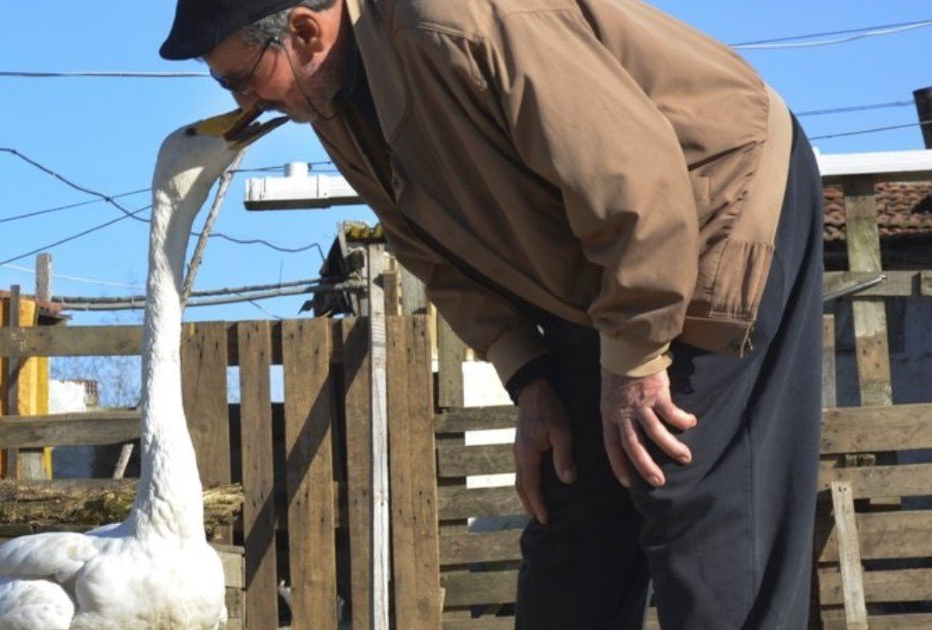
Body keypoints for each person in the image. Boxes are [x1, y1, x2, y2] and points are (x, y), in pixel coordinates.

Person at [160, 0, 825, 627]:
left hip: (716, 206)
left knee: (689, 495)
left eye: (241, 79)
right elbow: (430, 251)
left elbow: (636, 183)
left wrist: (635, 358)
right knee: (573, 512)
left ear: (305, 31)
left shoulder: (452, 23)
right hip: (592, 269)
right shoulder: (329, 99)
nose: (244, 104)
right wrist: (530, 378)